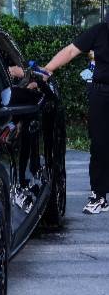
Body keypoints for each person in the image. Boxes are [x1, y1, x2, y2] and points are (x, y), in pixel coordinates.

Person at [39, 22, 109, 214]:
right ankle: (99, 195)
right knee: (100, 145)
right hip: (101, 93)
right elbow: (71, 51)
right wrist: (47, 70)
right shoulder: (100, 30)